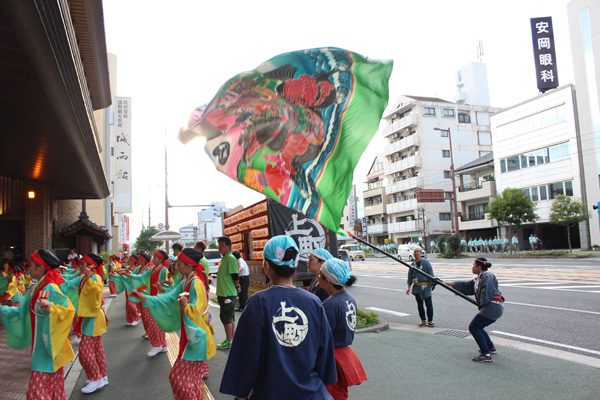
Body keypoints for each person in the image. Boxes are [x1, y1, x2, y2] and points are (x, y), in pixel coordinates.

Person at [219, 235, 337, 399]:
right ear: (295, 265)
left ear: (266, 265)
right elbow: (325, 354)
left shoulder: (258, 302)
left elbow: (247, 355)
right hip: (312, 393)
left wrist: (241, 393)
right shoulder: (314, 302)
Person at [132, 247, 215, 399]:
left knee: (178, 378)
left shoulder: (195, 283)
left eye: (180, 263)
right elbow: (170, 297)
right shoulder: (185, 280)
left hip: (196, 339)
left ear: (188, 266)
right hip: (190, 336)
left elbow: (199, 308)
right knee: (190, 379)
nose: (176, 266)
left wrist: (186, 306)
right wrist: (146, 298)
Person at [0, 249, 75, 399]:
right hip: (42, 348)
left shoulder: (50, 288)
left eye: (31, 265)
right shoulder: (36, 288)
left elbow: (69, 310)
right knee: (53, 391)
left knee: (36, 393)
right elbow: (20, 311)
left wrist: (52, 309)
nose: (28, 268)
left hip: (49, 349)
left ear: (40, 268)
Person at [319, 258, 367, 399]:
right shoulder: (349, 298)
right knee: (341, 393)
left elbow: (322, 336)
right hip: (344, 353)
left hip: (332, 357)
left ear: (327, 280)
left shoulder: (330, 304)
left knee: (330, 394)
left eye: (319, 276)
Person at [443, 257, 505, 363]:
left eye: (473, 265)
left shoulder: (487, 276)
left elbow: (487, 290)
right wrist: (445, 283)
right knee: (479, 326)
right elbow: (466, 286)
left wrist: (483, 302)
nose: (472, 267)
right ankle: (490, 347)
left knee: (474, 327)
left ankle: (486, 354)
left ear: (479, 266)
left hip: (493, 305)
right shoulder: (478, 279)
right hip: (492, 306)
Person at [77, 253, 110, 394]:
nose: (80, 266)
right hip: (91, 317)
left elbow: (96, 291)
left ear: (91, 266)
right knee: (96, 350)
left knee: (84, 352)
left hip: (93, 317)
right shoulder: (85, 278)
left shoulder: (95, 277)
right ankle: (101, 376)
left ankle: (96, 378)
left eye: (83, 264)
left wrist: (89, 276)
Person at [216, 236, 239, 350]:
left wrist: (238, 285)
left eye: (222, 245)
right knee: (230, 317)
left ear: (228, 246)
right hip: (225, 293)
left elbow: (235, 275)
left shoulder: (230, 258)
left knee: (226, 317)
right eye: (219, 246)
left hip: (227, 294)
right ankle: (231, 339)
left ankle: (229, 340)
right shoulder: (225, 258)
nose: (220, 248)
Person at [405, 246, 435, 327]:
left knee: (429, 305)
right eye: (415, 251)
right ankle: (423, 320)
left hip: (426, 287)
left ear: (421, 253)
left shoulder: (426, 263)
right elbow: (410, 277)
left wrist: (431, 284)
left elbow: (431, 275)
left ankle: (430, 320)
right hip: (417, 288)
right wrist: (408, 288)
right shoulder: (412, 265)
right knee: (420, 305)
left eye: (418, 251)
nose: (416, 253)